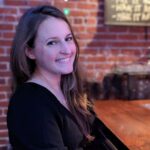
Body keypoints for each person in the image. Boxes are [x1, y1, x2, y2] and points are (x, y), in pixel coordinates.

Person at [7, 5, 120, 150]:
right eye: (52, 42)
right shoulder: (30, 104)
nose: (66, 50)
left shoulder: (67, 88)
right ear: (30, 52)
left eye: (68, 39)